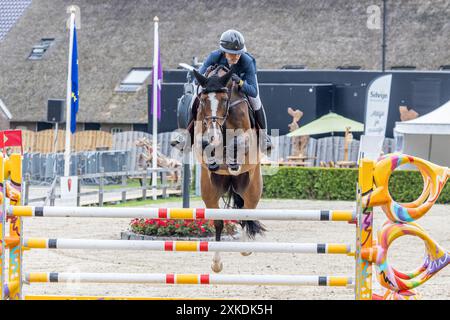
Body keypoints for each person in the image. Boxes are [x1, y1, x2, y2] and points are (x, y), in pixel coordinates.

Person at [172, 29, 272, 151]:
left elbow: (253, 91)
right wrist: (207, 80)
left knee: (256, 101)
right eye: (232, 54)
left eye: (238, 53)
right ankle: (187, 135)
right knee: (194, 97)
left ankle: (264, 136)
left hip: (240, 87)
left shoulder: (248, 61)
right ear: (224, 52)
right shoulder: (214, 56)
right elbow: (198, 79)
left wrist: (240, 82)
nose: (236, 57)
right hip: (217, 88)